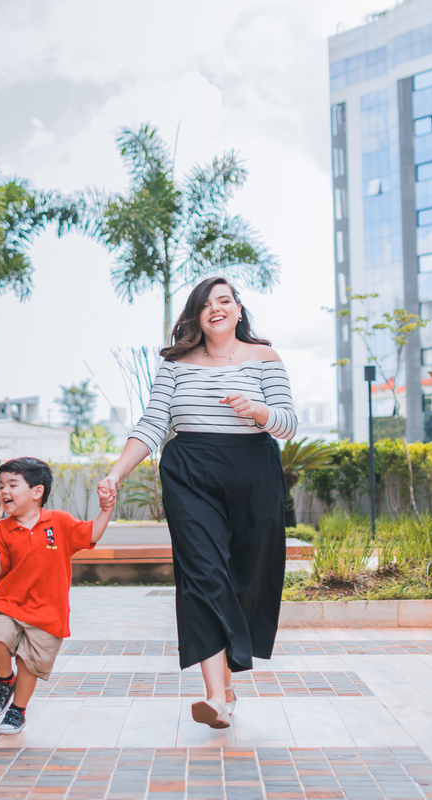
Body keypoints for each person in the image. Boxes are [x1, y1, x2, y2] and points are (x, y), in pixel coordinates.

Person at [97, 276, 297, 730]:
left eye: (225, 301)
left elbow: (288, 422)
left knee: (246, 578)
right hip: (189, 472)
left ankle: (226, 681)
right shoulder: (175, 364)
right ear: (197, 315)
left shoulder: (265, 357)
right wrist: (115, 472)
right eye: (206, 303)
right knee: (202, 576)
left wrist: (257, 411)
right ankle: (215, 697)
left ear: (239, 311)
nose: (216, 308)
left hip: (254, 471)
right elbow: (153, 423)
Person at [0, 457, 115, 734]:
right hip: (10, 603)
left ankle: (17, 711)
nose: (4, 491)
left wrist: (106, 510)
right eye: (1, 485)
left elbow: (91, 534)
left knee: (30, 663)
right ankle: (5, 682)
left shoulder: (59, 522)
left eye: (12, 485)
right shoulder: (2, 528)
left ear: (37, 492)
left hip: (49, 612)